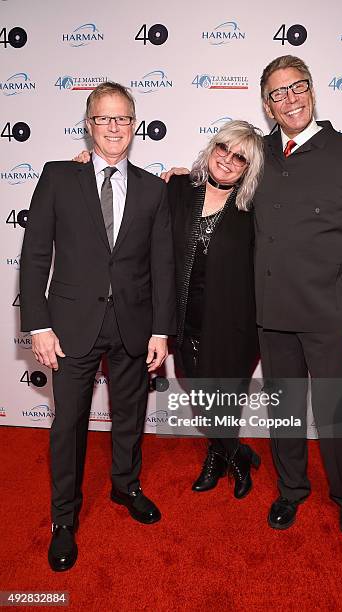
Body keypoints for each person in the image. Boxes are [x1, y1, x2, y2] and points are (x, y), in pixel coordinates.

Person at [19, 81, 176, 572]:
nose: (114, 127)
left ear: (135, 125)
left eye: (123, 118)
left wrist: (160, 330)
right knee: (68, 425)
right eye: (104, 118)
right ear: (89, 125)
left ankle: (125, 485)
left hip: (134, 324)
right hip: (70, 326)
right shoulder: (59, 176)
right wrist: (38, 325)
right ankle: (63, 519)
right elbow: (35, 254)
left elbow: (163, 265)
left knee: (129, 415)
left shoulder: (153, 188)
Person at [256, 55, 342, 540]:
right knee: (284, 408)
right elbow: (215, 184)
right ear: (267, 105)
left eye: (297, 88)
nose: (289, 100)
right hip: (272, 311)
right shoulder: (257, 152)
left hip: (331, 313)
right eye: (277, 93)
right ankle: (290, 490)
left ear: (312, 90)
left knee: (335, 412)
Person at [167, 121, 264, 499]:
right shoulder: (177, 189)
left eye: (240, 157)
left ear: (248, 168)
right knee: (199, 391)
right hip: (183, 318)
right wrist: (86, 163)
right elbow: (131, 192)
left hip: (234, 323)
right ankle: (235, 451)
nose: (228, 159)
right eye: (224, 148)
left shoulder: (253, 209)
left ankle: (222, 456)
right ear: (212, 147)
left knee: (226, 394)